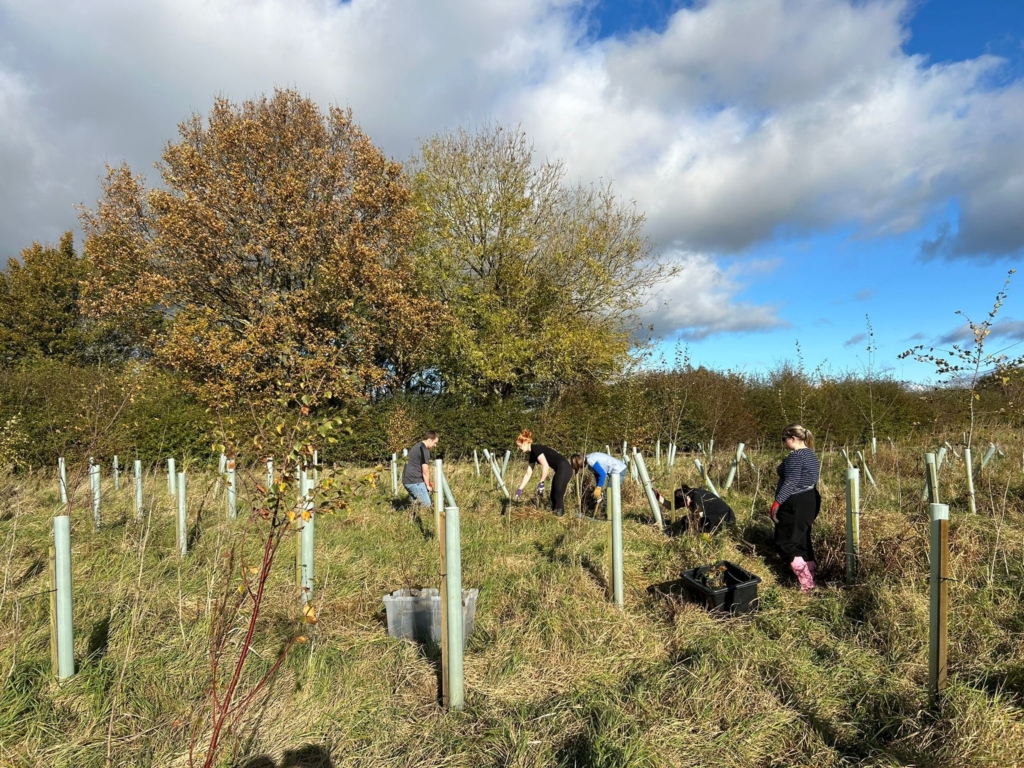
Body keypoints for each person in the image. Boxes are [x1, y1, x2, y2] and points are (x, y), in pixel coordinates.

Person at [769, 423, 821, 591]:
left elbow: (791, 482)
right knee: (802, 539)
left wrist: (777, 503)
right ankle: (811, 577)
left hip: (795, 500)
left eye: (784, 439)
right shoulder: (811, 455)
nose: (784, 443)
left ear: (792, 438)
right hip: (810, 498)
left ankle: (807, 584)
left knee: (785, 543)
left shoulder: (796, 456)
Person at [515, 430, 573, 516]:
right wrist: (520, 490)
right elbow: (528, 474)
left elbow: (545, 466)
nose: (519, 448)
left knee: (558, 492)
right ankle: (554, 515)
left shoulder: (536, 449)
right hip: (560, 469)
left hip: (564, 467)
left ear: (525, 442)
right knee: (553, 495)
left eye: (519, 446)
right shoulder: (532, 455)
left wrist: (541, 482)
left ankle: (559, 515)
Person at [653, 484, 735, 532]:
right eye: (683, 504)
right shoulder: (686, 495)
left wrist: (692, 531)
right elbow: (672, 506)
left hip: (726, 518)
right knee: (685, 520)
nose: (686, 505)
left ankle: (705, 538)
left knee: (703, 522)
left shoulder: (696, 497)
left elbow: (699, 516)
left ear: (687, 497)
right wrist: (658, 497)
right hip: (713, 517)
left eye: (685, 503)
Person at [401, 431, 439, 508]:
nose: (435, 446)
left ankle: (413, 518)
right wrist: (428, 485)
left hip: (407, 480)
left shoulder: (417, 446)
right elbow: (425, 470)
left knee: (415, 505)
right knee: (426, 504)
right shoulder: (424, 450)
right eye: (435, 443)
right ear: (429, 439)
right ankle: (425, 519)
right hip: (414, 481)